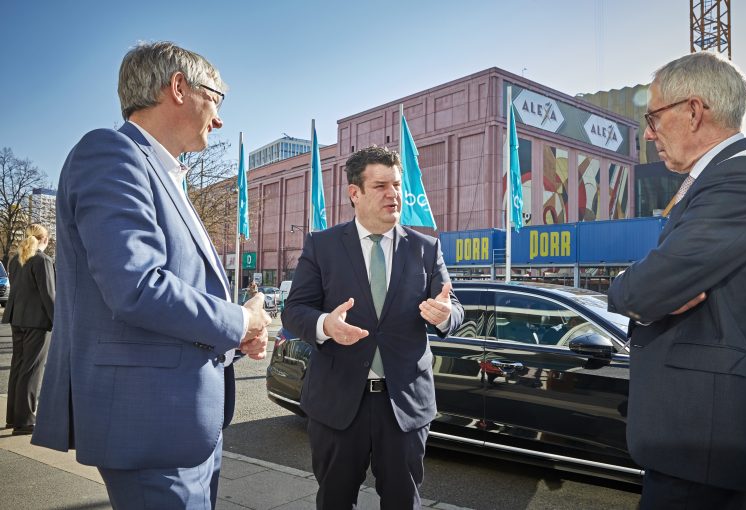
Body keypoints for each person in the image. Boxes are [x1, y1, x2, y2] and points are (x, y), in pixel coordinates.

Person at [31, 41, 271, 509]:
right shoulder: (111, 154)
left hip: (183, 425)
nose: (219, 119)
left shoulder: (163, 174)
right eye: (217, 99)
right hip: (152, 425)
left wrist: (232, 337)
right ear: (179, 88)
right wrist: (241, 322)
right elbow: (137, 287)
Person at [607, 51, 746, 509]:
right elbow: (662, 284)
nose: (649, 133)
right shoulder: (726, 178)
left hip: (706, 439)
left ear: (694, 111)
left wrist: (631, 286)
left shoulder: (745, 176)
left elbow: (643, 288)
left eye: (654, 117)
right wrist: (657, 288)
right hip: (701, 437)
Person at [283, 146, 464, 509]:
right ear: (355, 193)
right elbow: (294, 311)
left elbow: (455, 309)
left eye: (396, 185)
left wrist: (443, 314)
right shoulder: (322, 245)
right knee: (335, 501)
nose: (393, 194)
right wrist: (325, 325)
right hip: (338, 403)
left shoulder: (426, 249)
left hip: (403, 405)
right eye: (380, 185)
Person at [2, 224, 55, 436]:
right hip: (38, 322)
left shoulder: (15, 259)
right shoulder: (43, 260)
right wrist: (58, 322)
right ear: (45, 239)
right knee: (31, 370)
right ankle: (25, 421)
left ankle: (13, 417)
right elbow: (49, 296)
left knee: (18, 367)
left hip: (18, 319)